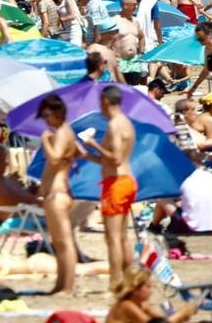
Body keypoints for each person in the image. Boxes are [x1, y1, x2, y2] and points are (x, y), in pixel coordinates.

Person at [81, 85, 137, 292]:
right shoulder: (125, 123)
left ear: (105, 102)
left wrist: (92, 143)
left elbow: (115, 158)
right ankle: (131, 280)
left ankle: (116, 282)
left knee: (112, 238)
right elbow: (110, 159)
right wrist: (86, 154)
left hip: (117, 183)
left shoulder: (114, 125)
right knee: (121, 237)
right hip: (123, 181)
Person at [35, 95, 80, 294]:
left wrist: (45, 140)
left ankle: (67, 286)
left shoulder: (62, 132)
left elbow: (54, 160)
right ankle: (61, 284)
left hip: (57, 193)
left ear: (57, 112)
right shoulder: (64, 132)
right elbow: (77, 151)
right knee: (59, 242)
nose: (44, 119)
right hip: (55, 192)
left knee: (65, 242)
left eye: (46, 114)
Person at [107, 266, 197, 323]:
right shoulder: (126, 305)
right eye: (148, 287)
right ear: (135, 289)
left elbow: (162, 320)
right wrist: (180, 314)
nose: (151, 290)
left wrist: (181, 317)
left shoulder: (141, 304)